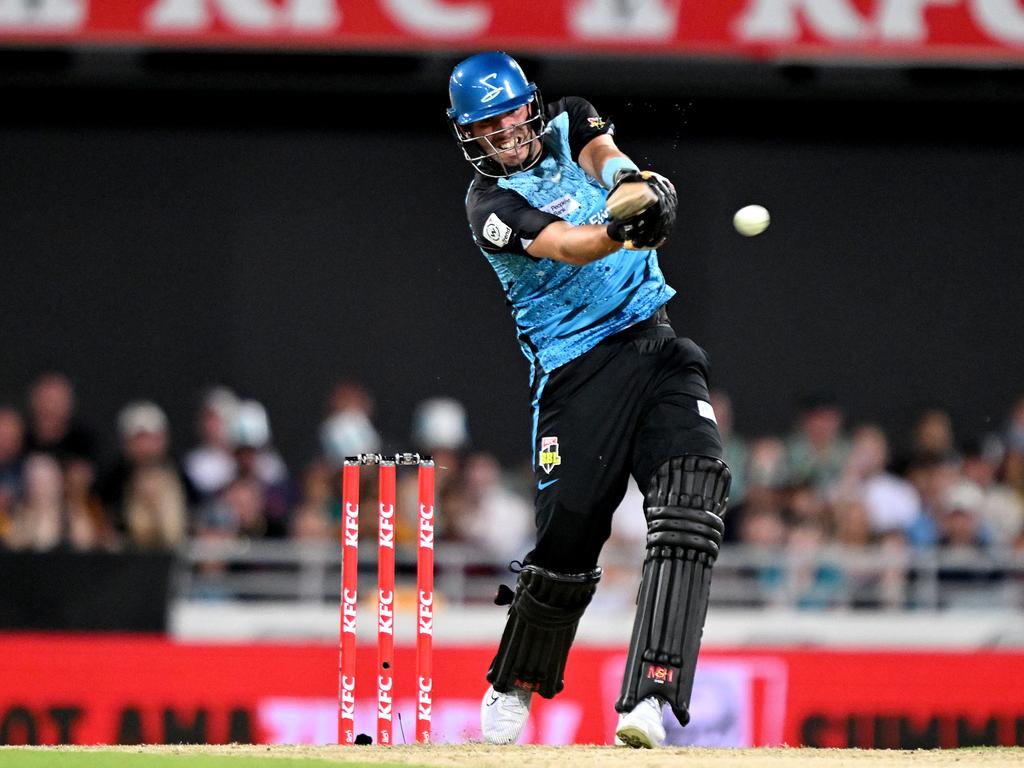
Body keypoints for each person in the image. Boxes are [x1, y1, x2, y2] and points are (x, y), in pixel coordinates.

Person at [447, 51, 730, 748]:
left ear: (530, 104)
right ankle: (513, 679)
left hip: (656, 345)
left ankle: (648, 698)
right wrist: (619, 229)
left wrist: (637, 186)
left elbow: (606, 157)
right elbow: (568, 246)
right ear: (469, 134)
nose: (506, 130)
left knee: (693, 498)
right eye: (488, 124)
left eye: (511, 112)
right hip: (577, 376)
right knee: (570, 542)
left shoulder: (570, 118)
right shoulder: (487, 203)